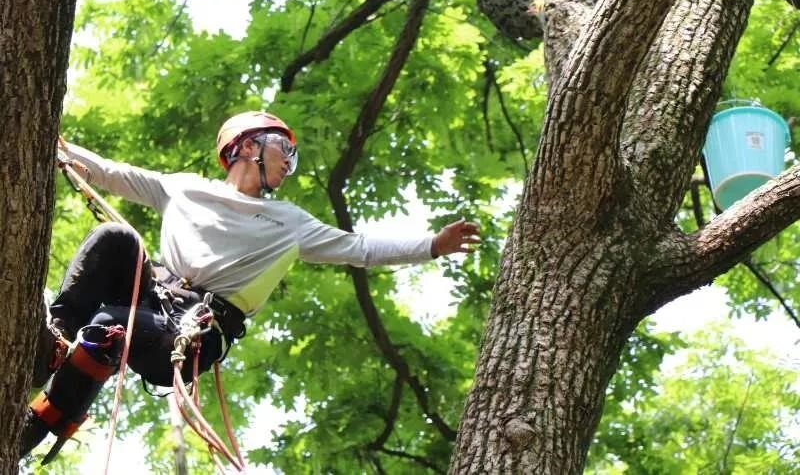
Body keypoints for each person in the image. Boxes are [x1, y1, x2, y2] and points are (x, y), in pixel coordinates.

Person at [21, 110, 480, 461]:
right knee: (115, 239)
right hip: (155, 295)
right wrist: (52, 141)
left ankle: (33, 428)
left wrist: (431, 245)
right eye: (284, 148)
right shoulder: (185, 189)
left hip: (191, 331)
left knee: (107, 329)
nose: (290, 162)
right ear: (247, 146)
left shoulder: (289, 223)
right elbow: (112, 173)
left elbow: (358, 247)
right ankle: (52, 344)